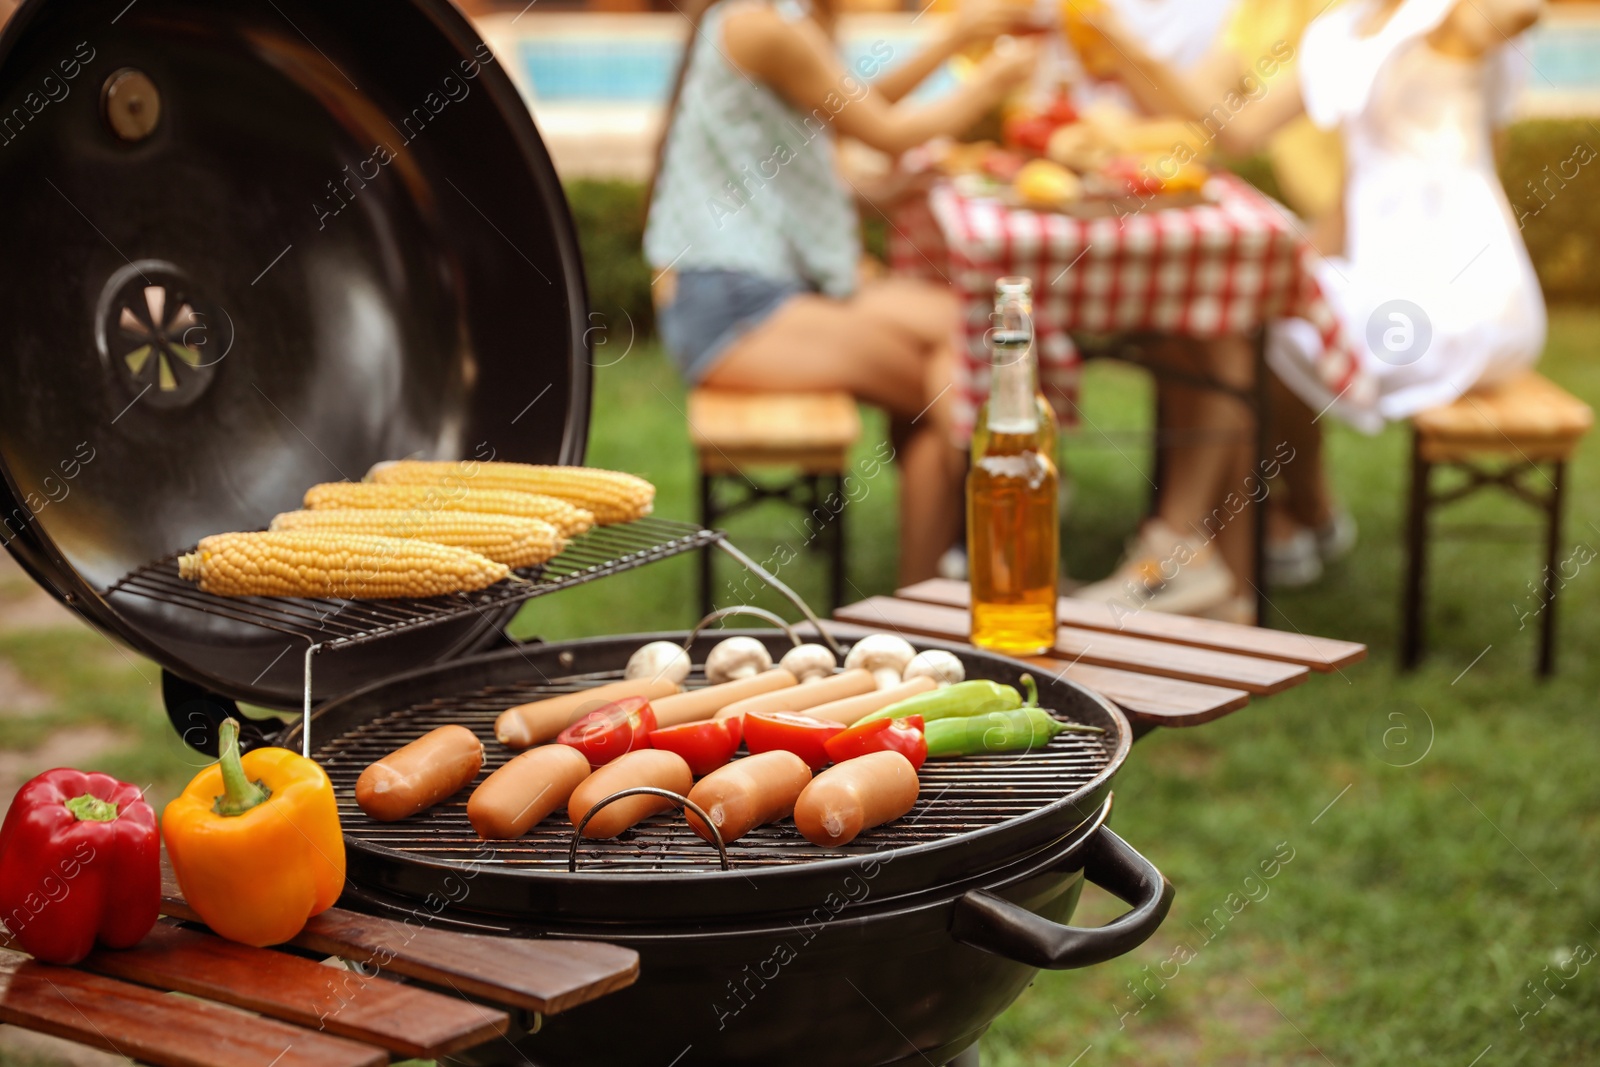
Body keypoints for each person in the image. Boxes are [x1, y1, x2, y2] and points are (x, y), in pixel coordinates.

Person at [1073, 0, 1544, 614]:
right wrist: (1125, 47)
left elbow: (1520, 10)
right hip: (1381, 275)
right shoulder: (1338, 32)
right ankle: (1207, 563)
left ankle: (1184, 557)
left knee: (1234, 326)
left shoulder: (1451, 17)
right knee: (1228, 318)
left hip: (1458, 297)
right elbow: (1237, 131)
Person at [645, 0, 1041, 586]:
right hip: (730, 306)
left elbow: (850, 101)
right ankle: (980, 557)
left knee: (961, 334)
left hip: (764, 281)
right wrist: (996, 79)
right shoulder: (765, 27)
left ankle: (936, 581)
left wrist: (954, 39)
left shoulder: (764, 19)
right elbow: (885, 130)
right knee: (962, 365)